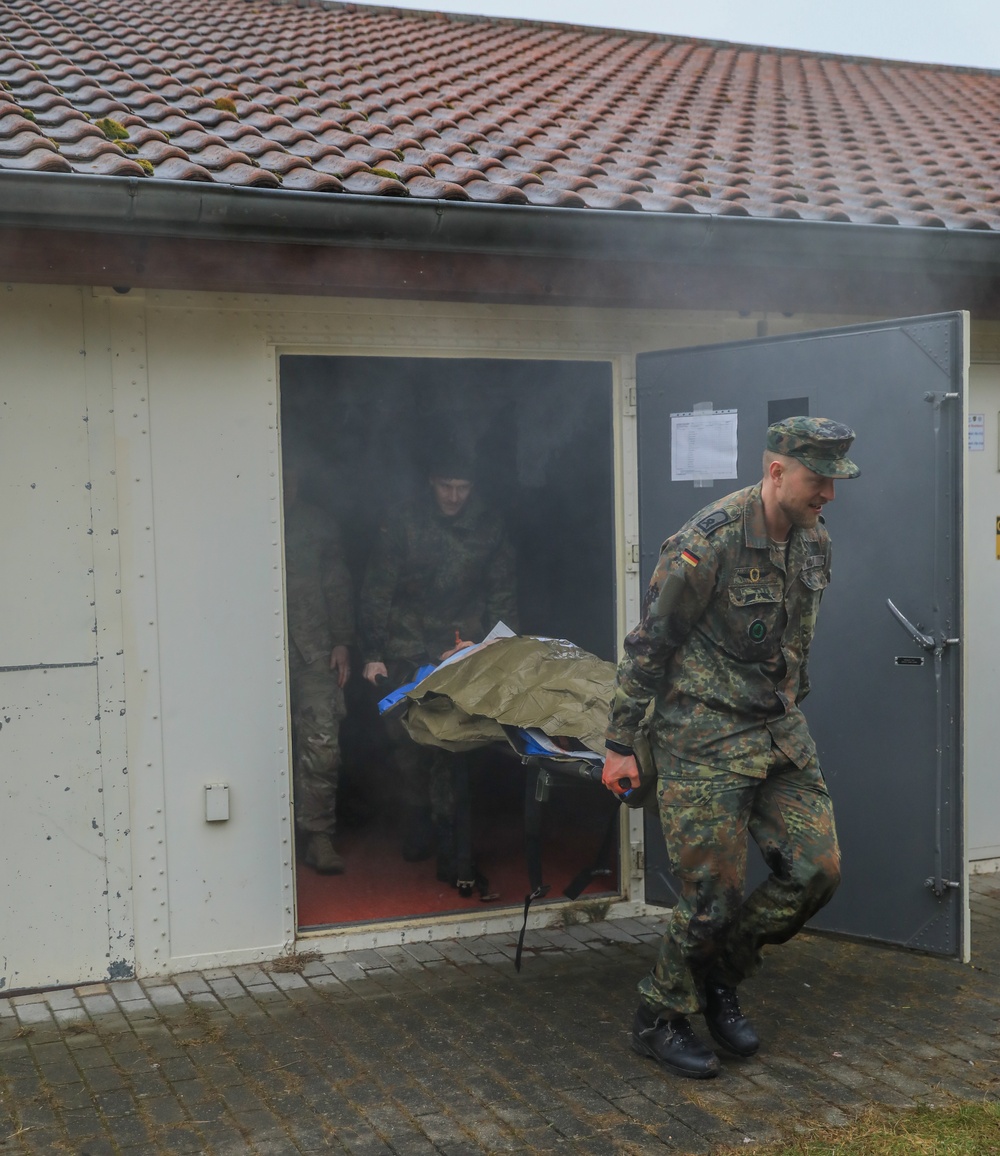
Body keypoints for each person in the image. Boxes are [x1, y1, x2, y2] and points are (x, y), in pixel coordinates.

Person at [602, 417, 860, 1080]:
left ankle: (720, 976)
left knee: (816, 870)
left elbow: (797, 636)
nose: (828, 492)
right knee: (712, 894)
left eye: (834, 480)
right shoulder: (707, 542)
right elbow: (649, 645)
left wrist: (791, 692)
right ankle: (658, 1016)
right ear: (777, 472)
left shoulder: (814, 543)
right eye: (818, 479)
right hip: (702, 734)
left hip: (775, 731)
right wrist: (620, 743)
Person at [359, 441, 518, 867]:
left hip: (460, 649)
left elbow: (502, 593)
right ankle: (418, 821)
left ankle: (452, 836)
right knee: (409, 743)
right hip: (405, 647)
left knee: (453, 744)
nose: (453, 496)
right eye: (446, 486)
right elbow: (378, 590)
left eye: (462, 487)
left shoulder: (489, 525)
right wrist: (373, 653)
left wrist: (490, 645)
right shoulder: (403, 522)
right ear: (432, 482)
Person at [284, 463, 355, 875]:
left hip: (314, 650)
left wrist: (342, 640)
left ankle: (317, 836)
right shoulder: (238, 520)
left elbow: (337, 584)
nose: (285, 487)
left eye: (290, 479)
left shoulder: (318, 525)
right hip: (251, 654)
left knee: (322, 742)